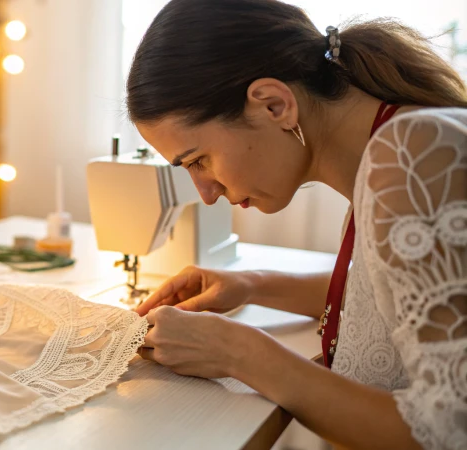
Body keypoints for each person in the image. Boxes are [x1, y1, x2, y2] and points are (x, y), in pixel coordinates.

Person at [126, 0, 467, 448]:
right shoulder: (389, 148)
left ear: (273, 105)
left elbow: (448, 430)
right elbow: (392, 295)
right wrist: (251, 284)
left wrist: (239, 353)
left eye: (199, 160)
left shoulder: (408, 157)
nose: (207, 193)